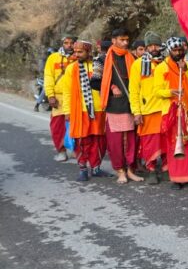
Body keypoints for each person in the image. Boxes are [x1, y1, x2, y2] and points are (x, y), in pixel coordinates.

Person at [153, 37, 188, 188]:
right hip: (172, 112)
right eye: (175, 50)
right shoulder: (162, 68)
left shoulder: (187, 65)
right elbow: (156, 91)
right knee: (176, 144)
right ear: (169, 51)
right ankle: (177, 178)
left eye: (180, 50)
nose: (178, 53)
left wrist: (187, 70)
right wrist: (170, 92)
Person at [95, 28, 141, 185]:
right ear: (113, 41)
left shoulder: (132, 57)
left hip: (130, 104)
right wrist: (111, 87)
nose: (126, 43)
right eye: (122, 40)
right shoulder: (102, 59)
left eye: (127, 40)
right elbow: (94, 81)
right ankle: (120, 170)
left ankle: (130, 170)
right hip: (113, 106)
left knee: (131, 140)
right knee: (115, 141)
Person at [61, 41, 110, 182]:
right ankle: (83, 168)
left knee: (99, 140)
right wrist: (67, 111)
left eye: (80, 52)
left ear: (88, 52)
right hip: (81, 111)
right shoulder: (71, 69)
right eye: (75, 52)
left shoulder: (98, 65)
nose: (76, 55)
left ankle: (96, 168)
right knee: (82, 141)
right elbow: (67, 92)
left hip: (100, 109)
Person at [129, 32, 167, 185]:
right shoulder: (138, 64)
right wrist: (136, 112)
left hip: (165, 109)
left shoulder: (167, 62)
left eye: (156, 45)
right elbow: (134, 90)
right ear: (145, 48)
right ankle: (151, 169)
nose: (153, 48)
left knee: (166, 141)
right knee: (150, 143)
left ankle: (165, 169)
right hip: (148, 110)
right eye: (149, 46)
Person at [44, 34, 77, 161]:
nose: (69, 45)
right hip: (59, 98)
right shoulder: (53, 58)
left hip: (75, 97)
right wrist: (50, 95)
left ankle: (75, 149)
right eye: (66, 43)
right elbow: (48, 77)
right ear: (62, 44)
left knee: (76, 125)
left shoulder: (78, 58)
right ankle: (61, 150)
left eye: (71, 43)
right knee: (57, 127)